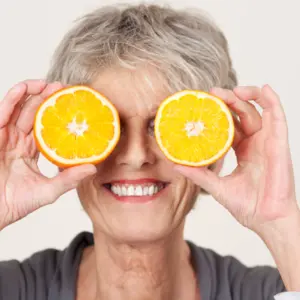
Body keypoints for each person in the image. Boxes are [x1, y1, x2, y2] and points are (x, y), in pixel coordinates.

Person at [0, 3, 299, 300]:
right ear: (65, 145)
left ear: (214, 149)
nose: (135, 155)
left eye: (158, 126)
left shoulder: (274, 290)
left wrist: (280, 224)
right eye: (110, 126)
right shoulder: (14, 289)